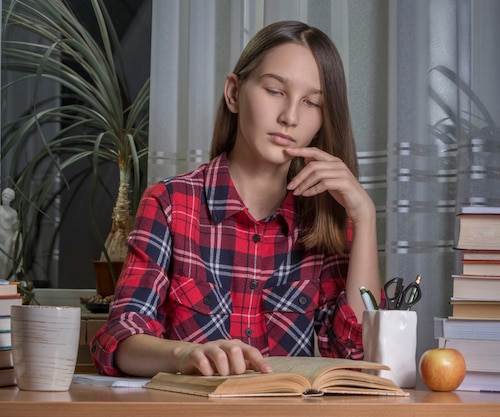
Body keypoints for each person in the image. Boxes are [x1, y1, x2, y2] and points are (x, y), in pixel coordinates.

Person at [91, 20, 381, 378]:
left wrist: (365, 218)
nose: (290, 116)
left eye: (311, 102)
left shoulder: (325, 221)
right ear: (233, 93)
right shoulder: (169, 203)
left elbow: (357, 354)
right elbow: (119, 341)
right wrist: (186, 355)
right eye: (275, 90)